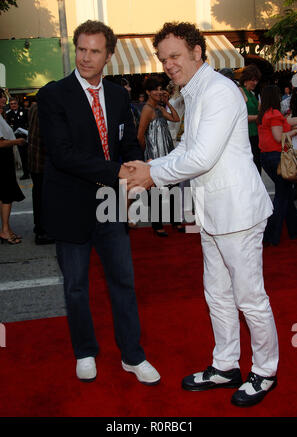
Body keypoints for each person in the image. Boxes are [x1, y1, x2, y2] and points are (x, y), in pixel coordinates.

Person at [125, 22, 279, 407]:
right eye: (163, 59)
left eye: (175, 56)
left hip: (237, 212)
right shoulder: (194, 94)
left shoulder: (219, 91)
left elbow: (201, 157)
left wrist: (151, 174)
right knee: (217, 294)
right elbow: (186, 151)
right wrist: (150, 167)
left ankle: (265, 371)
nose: (169, 64)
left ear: (197, 51)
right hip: (211, 211)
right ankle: (226, 365)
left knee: (249, 298)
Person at [37, 20, 160, 385]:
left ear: (109, 55)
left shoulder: (120, 95)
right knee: (75, 285)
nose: (86, 57)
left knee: (123, 280)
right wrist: (120, 172)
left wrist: (136, 172)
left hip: (112, 204)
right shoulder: (52, 95)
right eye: (81, 49)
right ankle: (85, 350)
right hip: (71, 204)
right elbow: (63, 154)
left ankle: (132, 355)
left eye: (94, 51)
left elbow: (128, 144)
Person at [137, 76, 182, 236]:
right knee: (156, 191)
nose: (159, 91)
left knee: (173, 187)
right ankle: (157, 225)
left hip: (167, 153)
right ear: (148, 92)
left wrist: (168, 102)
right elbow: (140, 136)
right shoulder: (147, 110)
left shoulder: (160, 108)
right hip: (154, 156)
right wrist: (147, 155)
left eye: (160, 88)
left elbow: (176, 119)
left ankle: (176, 221)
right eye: (155, 89)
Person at [257, 85, 297, 246]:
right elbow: (278, 137)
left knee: (285, 193)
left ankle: (295, 229)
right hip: (276, 157)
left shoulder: (265, 114)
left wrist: (293, 127)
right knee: (282, 196)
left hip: (267, 157)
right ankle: (271, 235)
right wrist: (294, 132)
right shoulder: (274, 114)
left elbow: (286, 123)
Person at [27, 101, 55, 245]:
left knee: (38, 196)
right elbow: (46, 136)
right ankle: (42, 231)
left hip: (34, 160)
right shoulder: (44, 108)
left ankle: (40, 228)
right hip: (42, 161)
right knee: (44, 198)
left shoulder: (33, 107)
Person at [0, 88, 25, 244]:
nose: (4, 101)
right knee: (7, 196)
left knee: (5, 197)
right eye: (2, 98)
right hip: (2, 160)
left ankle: (6, 228)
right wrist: (17, 141)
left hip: (5, 159)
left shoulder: (2, 116)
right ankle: (5, 230)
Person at [239, 64, 262, 174]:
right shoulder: (240, 91)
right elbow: (241, 117)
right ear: (246, 79)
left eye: (256, 80)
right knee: (252, 165)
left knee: (257, 164)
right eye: (252, 80)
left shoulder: (252, 94)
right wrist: (259, 117)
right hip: (246, 134)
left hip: (255, 133)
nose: (255, 83)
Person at [6, 96, 30, 180]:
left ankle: (31, 171)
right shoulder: (8, 114)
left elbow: (28, 122)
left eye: (14, 103)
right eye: (11, 104)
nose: (13, 105)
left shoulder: (24, 111)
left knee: (28, 155)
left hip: (26, 136)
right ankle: (26, 173)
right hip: (16, 138)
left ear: (17, 103)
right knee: (22, 156)